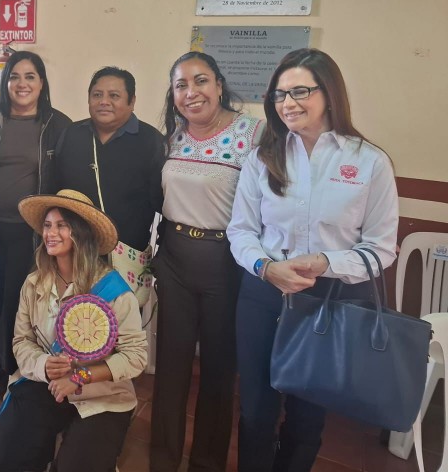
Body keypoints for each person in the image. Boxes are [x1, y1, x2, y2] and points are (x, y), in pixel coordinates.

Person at [226, 48, 399, 472]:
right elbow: (241, 231)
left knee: (307, 416)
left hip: (330, 301)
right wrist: (266, 268)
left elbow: (381, 248)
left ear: (329, 92)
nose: (287, 103)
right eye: (279, 94)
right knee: (256, 411)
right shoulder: (262, 157)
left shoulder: (368, 162)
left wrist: (325, 262)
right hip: (264, 294)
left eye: (299, 91)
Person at [151, 52, 264, 472]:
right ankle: (163, 460)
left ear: (218, 84)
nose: (191, 92)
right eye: (181, 85)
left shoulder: (254, 133)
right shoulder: (172, 136)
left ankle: (207, 463)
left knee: (218, 370)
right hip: (174, 259)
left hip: (226, 264)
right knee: (171, 367)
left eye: (200, 81)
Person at [0, 189, 148, 472]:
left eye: (62, 225)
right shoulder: (34, 284)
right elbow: (22, 341)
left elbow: (136, 357)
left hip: (102, 395)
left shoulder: (115, 291)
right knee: (6, 455)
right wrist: (43, 365)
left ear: (81, 233)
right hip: (47, 385)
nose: (50, 233)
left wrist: (80, 376)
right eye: (47, 225)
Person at [0, 51, 72, 391]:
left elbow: (64, 177)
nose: (22, 84)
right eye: (14, 76)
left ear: (42, 83)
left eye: (30, 76)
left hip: (31, 230)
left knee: (19, 298)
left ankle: (10, 364)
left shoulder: (57, 125)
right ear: (5, 82)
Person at [55, 66, 164, 257]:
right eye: (97, 95)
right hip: (75, 251)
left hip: (127, 255)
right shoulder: (71, 134)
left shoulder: (151, 141)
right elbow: (55, 189)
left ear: (132, 101)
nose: (104, 102)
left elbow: (161, 203)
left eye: (114, 96)